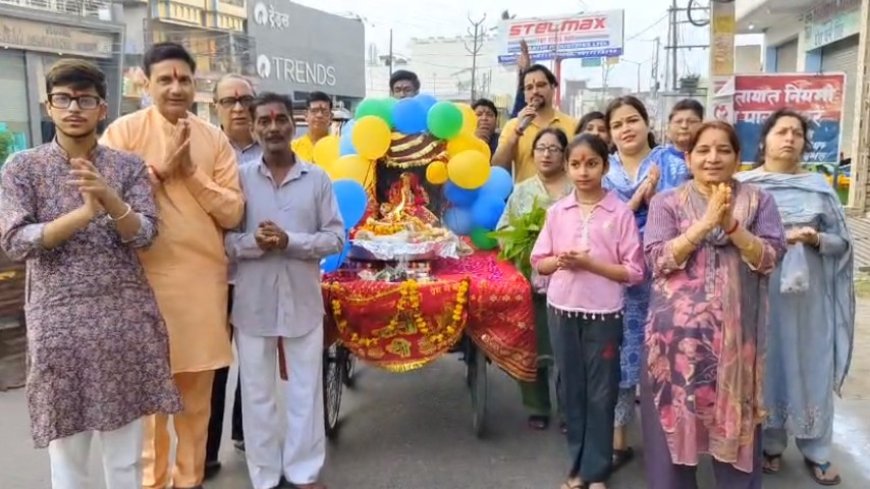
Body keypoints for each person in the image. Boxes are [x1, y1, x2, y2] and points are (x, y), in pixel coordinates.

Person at [0, 58, 181, 488]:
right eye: (63, 98)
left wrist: (111, 201)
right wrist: (84, 214)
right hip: (59, 327)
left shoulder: (127, 167)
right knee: (69, 458)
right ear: (48, 106)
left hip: (122, 323)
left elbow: (146, 236)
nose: (73, 108)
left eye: (85, 99)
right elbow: (14, 241)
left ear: (103, 108)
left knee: (124, 461)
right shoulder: (22, 168)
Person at [100, 42, 245, 489]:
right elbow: (105, 204)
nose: (175, 87)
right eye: (165, 79)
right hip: (141, 286)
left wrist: (190, 174)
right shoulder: (121, 134)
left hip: (201, 285)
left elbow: (233, 212)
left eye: (183, 78)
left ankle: (191, 481)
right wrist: (160, 172)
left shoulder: (213, 139)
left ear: (195, 84)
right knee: (150, 407)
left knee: (196, 405)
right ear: (146, 82)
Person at [641, 121, 786, 489]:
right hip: (676, 344)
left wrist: (732, 227)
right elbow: (656, 260)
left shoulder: (759, 200)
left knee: (737, 430)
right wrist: (704, 225)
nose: (712, 158)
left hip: (738, 346)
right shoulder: (666, 202)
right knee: (675, 428)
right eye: (703, 150)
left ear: (738, 157)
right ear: (688, 158)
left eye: (723, 150)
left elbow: (769, 257)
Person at [226, 92, 344, 489]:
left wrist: (290, 241)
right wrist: (254, 244)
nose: (273, 127)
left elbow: (334, 238)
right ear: (254, 127)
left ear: (292, 125)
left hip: (303, 301)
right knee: (257, 394)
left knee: (305, 391)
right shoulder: (238, 178)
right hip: (253, 303)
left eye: (280, 119)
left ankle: (304, 471)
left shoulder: (318, 179)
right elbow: (225, 242)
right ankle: (264, 477)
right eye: (264, 120)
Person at [737, 109, 854, 486]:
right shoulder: (744, 185)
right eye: (781, 131)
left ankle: (817, 451)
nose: (789, 138)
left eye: (797, 133)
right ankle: (770, 443)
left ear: (804, 143)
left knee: (811, 368)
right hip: (759, 293)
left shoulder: (819, 188)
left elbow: (843, 245)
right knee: (767, 367)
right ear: (765, 139)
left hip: (809, 303)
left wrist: (814, 238)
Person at [531, 134, 645, 489]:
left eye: (591, 163)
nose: (583, 171)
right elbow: (539, 262)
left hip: (604, 314)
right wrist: (559, 261)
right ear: (567, 166)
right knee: (571, 391)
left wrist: (591, 264)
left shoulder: (620, 212)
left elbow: (634, 271)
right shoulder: (557, 212)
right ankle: (578, 465)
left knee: (601, 392)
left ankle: (595, 471)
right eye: (576, 164)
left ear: (604, 166)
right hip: (562, 310)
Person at [602, 95, 691, 468]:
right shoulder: (602, 170)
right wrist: (639, 198)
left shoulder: (673, 163)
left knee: (669, 362)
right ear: (609, 132)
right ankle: (618, 442)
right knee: (623, 360)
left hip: (670, 276)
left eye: (632, 120)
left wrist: (659, 203)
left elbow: (690, 212)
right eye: (618, 124)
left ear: (646, 122)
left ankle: (672, 447)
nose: (626, 129)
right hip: (619, 278)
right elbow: (600, 224)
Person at [496, 128, 574, 432]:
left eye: (554, 148)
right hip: (531, 280)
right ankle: (537, 406)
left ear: (564, 154)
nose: (546, 154)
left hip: (572, 280)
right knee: (534, 346)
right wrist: (520, 244)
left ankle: (569, 410)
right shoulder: (522, 189)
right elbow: (504, 229)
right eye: (540, 148)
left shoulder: (576, 187)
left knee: (568, 350)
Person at [205, 73, 260, 479]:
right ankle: (206, 450)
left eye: (245, 100)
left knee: (255, 361)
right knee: (214, 364)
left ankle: (246, 431)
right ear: (216, 107)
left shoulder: (276, 149)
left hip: (258, 273)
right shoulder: (204, 149)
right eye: (229, 101)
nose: (238, 108)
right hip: (212, 276)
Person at [376, 70, 446, 217]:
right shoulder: (382, 129)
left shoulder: (431, 130)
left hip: (424, 202)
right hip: (390, 202)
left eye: (407, 90)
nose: (402, 95)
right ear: (392, 94)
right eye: (397, 90)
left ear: (416, 93)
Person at [492, 64, 576, 183]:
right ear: (524, 94)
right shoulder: (512, 126)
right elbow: (498, 167)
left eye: (541, 85)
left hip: (564, 199)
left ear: (553, 88)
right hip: (526, 199)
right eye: (529, 87)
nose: (535, 91)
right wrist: (518, 131)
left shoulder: (572, 125)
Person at [291, 91, 333, 163]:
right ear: (306, 115)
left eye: (324, 111)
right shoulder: (293, 148)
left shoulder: (338, 147)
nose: (319, 115)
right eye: (314, 111)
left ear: (331, 117)